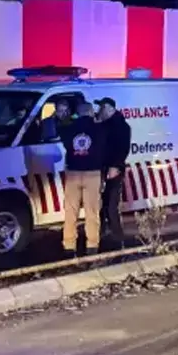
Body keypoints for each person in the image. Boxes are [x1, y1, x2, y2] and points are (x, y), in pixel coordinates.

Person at [58, 102, 106, 255]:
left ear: (77, 113)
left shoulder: (69, 128)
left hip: (73, 174)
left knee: (71, 212)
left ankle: (69, 245)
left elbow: (62, 134)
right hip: (93, 174)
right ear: (91, 112)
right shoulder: (99, 128)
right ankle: (92, 246)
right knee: (92, 212)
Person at [95, 97, 131, 249]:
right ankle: (104, 233)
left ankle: (118, 237)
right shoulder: (108, 124)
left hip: (114, 169)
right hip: (105, 168)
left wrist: (115, 166)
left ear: (109, 109)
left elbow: (122, 149)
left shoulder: (120, 126)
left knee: (111, 205)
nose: (99, 111)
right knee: (103, 203)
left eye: (102, 108)